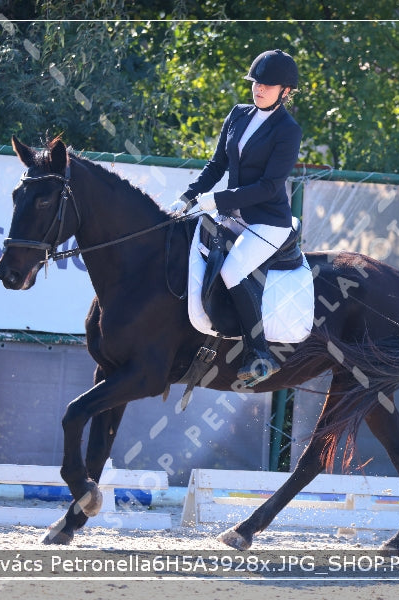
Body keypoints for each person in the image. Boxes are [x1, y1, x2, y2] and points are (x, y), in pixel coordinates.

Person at [172, 49, 301, 386]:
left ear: (285, 91)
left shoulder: (288, 130)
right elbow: (216, 165)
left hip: (268, 221)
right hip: (232, 215)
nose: (259, 88)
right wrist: (190, 195)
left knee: (231, 271)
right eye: (256, 82)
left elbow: (270, 186)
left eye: (268, 85)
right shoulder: (238, 114)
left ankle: (260, 353)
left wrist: (218, 199)